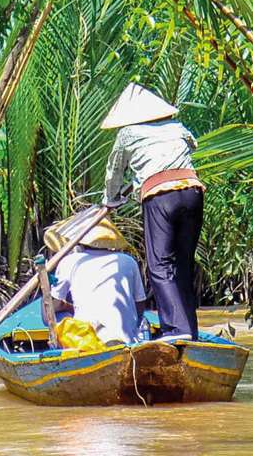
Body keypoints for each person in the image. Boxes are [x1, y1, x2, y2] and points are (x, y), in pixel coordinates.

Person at [100, 82, 203, 340]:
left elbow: (114, 171)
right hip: (192, 191)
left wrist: (110, 199)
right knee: (183, 265)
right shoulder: (176, 127)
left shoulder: (127, 133)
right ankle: (190, 331)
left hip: (161, 196)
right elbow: (192, 146)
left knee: (160, 266)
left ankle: (176, 331)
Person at [44, 214, 147, 344]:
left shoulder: (71, 261)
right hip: (127, 338)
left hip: (89, 341)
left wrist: (47, 288)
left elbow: (51, 309)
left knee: (55, 314)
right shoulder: (128, 260)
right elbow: (140, 303)